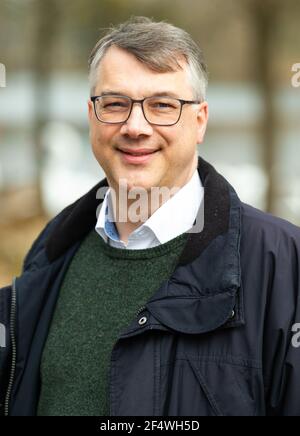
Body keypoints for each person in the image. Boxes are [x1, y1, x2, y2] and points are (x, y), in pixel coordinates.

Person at [1, 16, 300, 417]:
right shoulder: (50, 257)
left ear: (200, 120)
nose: (135, 126)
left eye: (162, 105)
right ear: (92, 117)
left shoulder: (283, 263)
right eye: (115, 104)